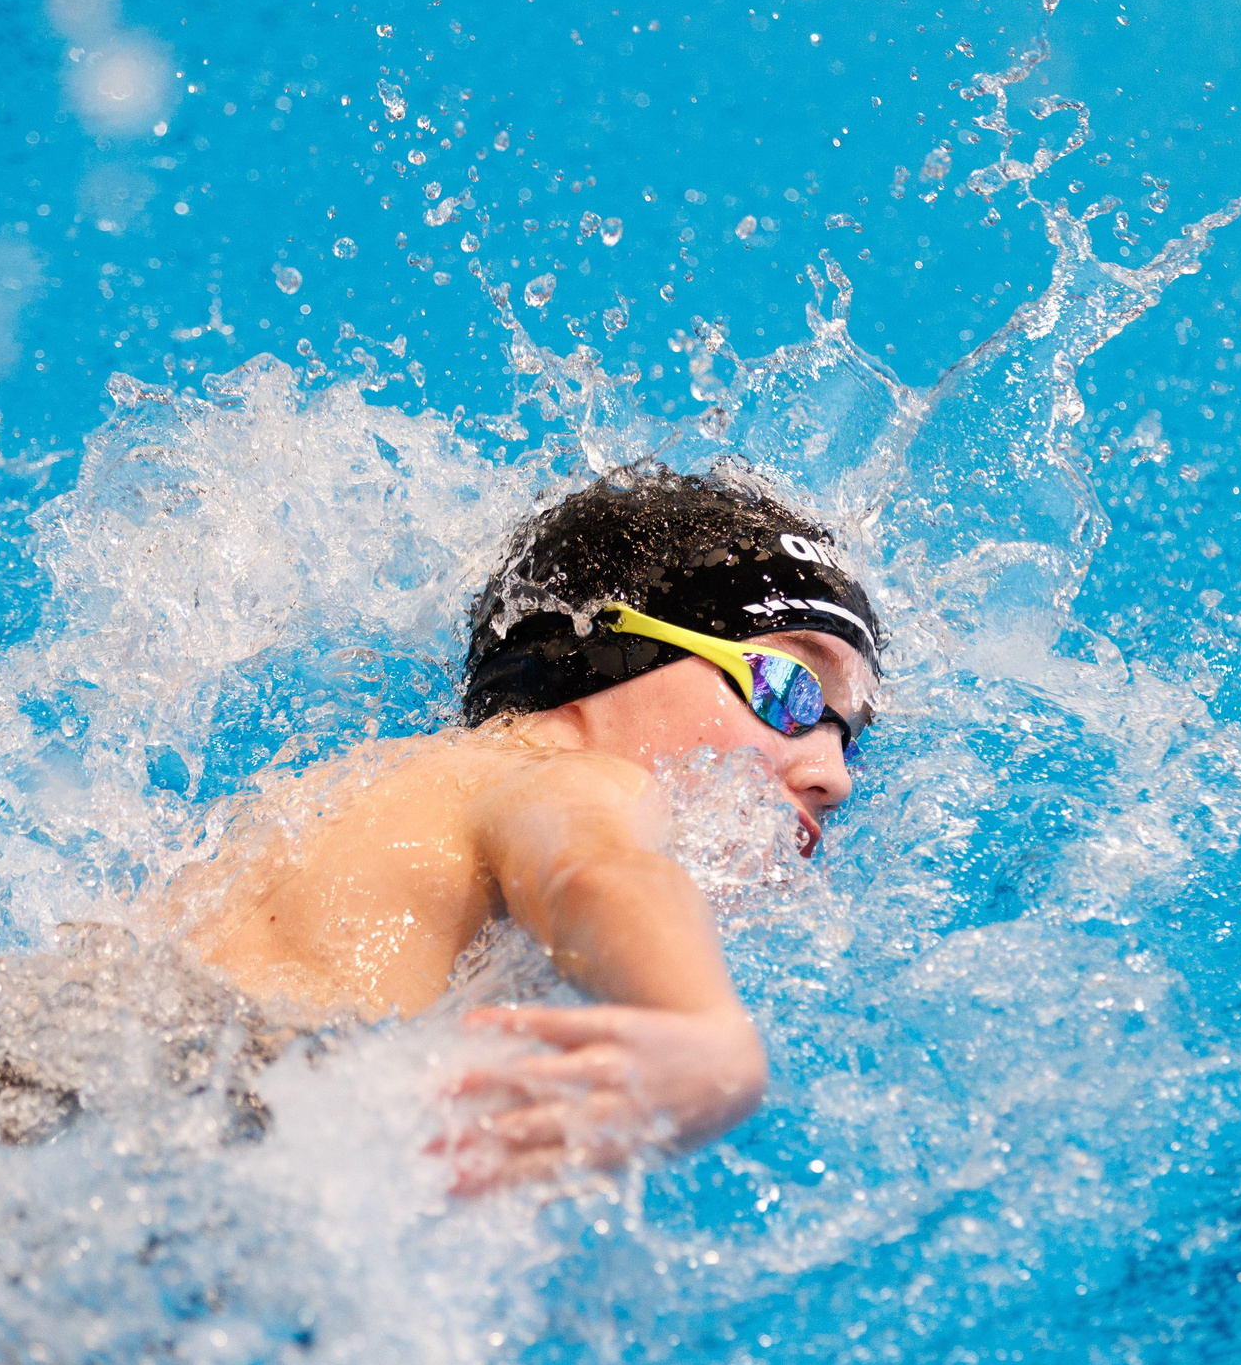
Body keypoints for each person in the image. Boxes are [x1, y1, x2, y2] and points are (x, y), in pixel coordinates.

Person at [157, 462, 883, 1191]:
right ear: (609, 653)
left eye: (847, 737)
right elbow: (593, 869)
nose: (835, 775)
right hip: (181, 1096)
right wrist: (705, 1031)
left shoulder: (387, 789)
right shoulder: (565, 774)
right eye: (791, 689)